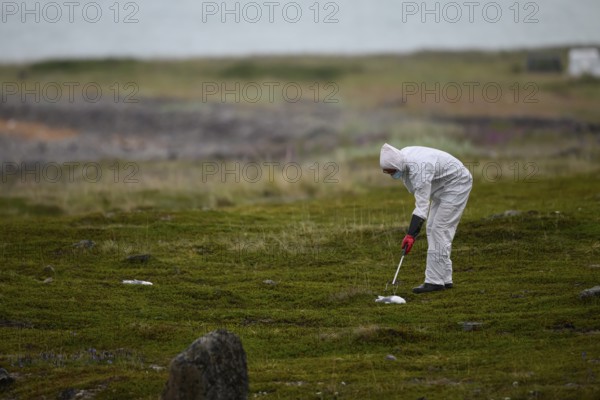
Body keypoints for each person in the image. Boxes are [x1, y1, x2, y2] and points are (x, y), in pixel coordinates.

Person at [379, 143, 473, 294]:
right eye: (388, 173)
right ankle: (445, 278)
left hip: (457, 184)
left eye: (393, 172)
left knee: (439, 229)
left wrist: (411, 235)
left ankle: (434, 281)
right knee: (432, 228)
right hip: (442, 186)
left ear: (397, 165)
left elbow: (422, 207)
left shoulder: (420, 168)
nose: (392, 176)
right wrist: (412, 233)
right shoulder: (401, 158)